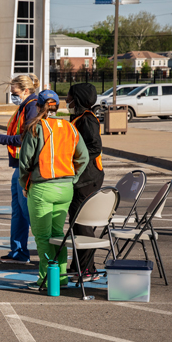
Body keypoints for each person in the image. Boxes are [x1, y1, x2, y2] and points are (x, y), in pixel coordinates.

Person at [18, 90, 89, 291]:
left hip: (42, 187)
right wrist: (72, 177)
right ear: (57, 106)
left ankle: (46, 279)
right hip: (65, 188)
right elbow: (83, 157)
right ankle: (62, 277)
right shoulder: (69, 127)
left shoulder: (35, 128)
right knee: (58, 234)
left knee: (42, 237)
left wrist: (24, 185)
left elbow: (24, 163)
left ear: (39, 106)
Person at [0, 74, 41, 265]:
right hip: (19, 166)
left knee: (27, 212)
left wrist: (0, 139)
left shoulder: (32, 106)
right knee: (18, 211)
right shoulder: (25, 106)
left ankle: (47, 254)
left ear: (26, 90)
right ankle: (18, 252)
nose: (13, 95)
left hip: (26, 168)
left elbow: (27, 137)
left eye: (15, 92)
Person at [64, 83, 105, 282]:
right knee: (76, 223)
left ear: (77, 98)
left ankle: (88, 269)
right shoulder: (77, 118)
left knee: (83, 223)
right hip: (79, 177)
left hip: (88, 178)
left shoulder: (88, 120)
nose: (66, 100)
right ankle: (77, 266)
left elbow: (94, 147)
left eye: (69, 97)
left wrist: (77, 159)